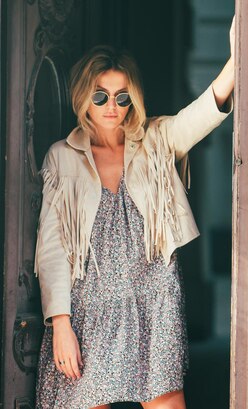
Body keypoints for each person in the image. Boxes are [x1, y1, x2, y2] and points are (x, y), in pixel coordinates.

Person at [34, 22, 235, 409]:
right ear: (83, 97)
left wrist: (238, 56)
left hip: (152, 302)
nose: (112, 106)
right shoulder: (62, 157)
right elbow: (53, 248)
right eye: (101, 95)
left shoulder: (156, 141)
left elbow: (202, 113)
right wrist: (60, 323)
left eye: (122, 96)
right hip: (88, 310)